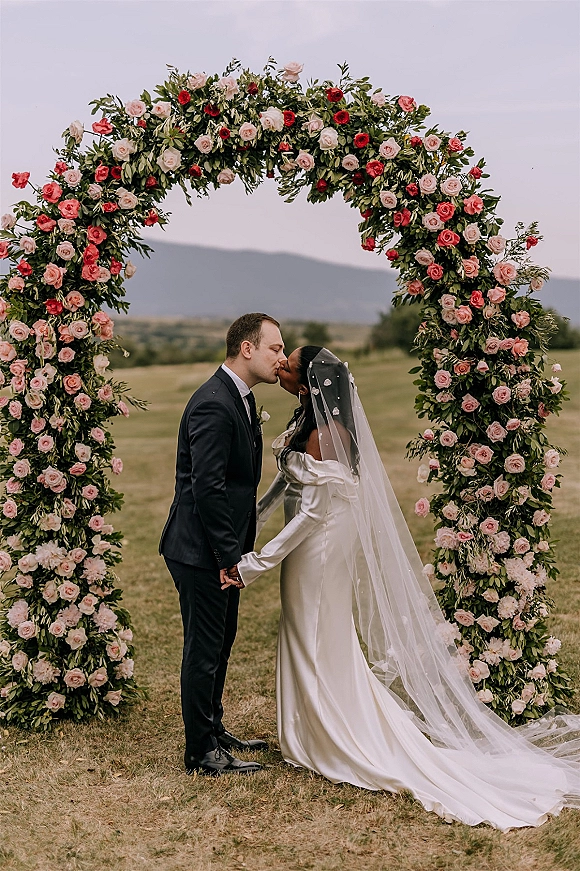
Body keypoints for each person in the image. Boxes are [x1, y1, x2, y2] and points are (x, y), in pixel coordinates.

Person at [230, 346, 580, 829]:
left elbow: (311, 513)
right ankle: (310, 728)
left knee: (313, 627)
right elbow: (285, 488)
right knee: (305, 627)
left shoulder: (325, 435)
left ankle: (328, 733)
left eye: (290, 365)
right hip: (311, 539)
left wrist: (256, 563)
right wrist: (252, 521)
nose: (282, 367)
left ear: (312, 384)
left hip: (321, 544)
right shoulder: (305, 423)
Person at [159, 313, 286, 776]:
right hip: (199, 551)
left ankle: (212, 728)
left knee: (222, 640)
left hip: (215, 550)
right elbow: (207, 488)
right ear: (247, 349)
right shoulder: (214, 402)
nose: (282, 357)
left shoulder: (241, 397)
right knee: (204, 646)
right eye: (275, 348)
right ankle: (200, 752)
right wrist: (228, 558)